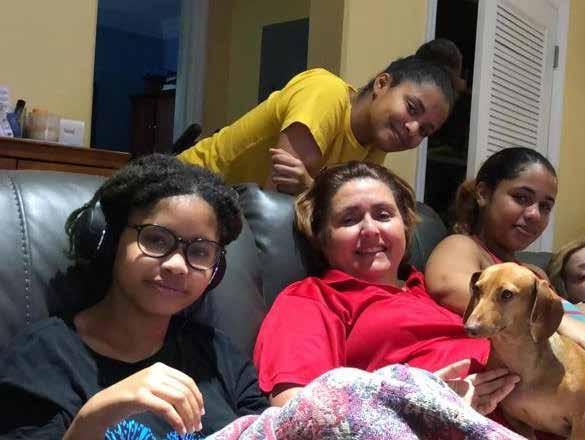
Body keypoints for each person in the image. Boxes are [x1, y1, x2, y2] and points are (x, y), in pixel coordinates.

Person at [0, 155, 269, 438]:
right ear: (111, 240)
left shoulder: (220, 355)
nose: (177, 265)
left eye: (200, 251)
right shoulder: (42, 357)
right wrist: (95, 417)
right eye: (156, 239)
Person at [252, 161, 519, 415]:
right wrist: (419, 406)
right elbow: (296, 411)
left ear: (405, 226)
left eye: (383, 215)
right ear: (322, 237)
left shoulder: (427, 289)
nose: (370, 229)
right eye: (349, 220)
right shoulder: (312, 299)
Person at [424, 147, 585, 429]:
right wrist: (563, 324)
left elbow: (581, 324)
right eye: (521, 198)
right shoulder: (463, 245)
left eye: (546, 206)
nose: (535, 214)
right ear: (484, 193)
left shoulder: (533, 273)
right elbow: (448, 286)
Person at [178, 39, 463, 196]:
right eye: (412, 108)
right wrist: (320, 194)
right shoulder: (325, 93)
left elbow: (344, 209)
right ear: (382, 84)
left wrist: (312, 188)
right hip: (185, 186)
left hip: (228, 211)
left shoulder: (374, 146)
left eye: (425, 131)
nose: (413, 129)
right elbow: (274, 206)